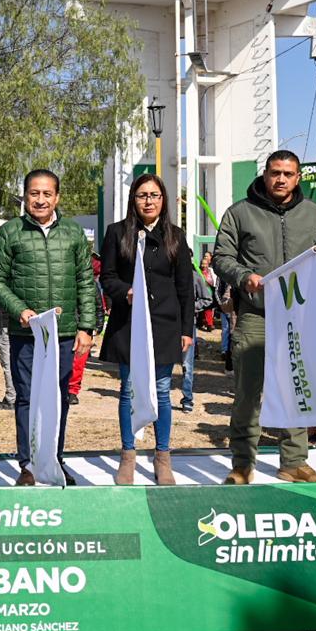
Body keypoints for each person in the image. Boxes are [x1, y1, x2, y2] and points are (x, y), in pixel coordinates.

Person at [212, 150, 316, 485]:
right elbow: (221, 258)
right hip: (256, 315)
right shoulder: (240, 213)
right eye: (275, 172)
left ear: (298, 178)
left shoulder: (315, 215)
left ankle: (294, 462)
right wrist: (243, 276)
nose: (281, 179)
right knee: (248, 393)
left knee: (295, 389)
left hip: (300, 319)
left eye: (288, 173)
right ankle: (242, 464)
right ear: (265, 174)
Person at [0, 169, 96, 486]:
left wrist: (86, 327)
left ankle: (54, 460)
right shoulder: (10, 232)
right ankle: (29, 465)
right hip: (26, 333)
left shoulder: (73, 233)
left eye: (47, 194)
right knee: (26, 398)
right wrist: (19, 310)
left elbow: (86, 282)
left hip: (64, 334)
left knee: (59, 399)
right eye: (34, 193)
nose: (40, 200)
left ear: (57, 197)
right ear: (25, 196)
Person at [99, 174, 194, 485]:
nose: (148, 201)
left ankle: (162, 456)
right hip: (129, 324)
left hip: (165, 324)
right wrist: (125, 291)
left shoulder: (176, 236)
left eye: (154, 195)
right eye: (142, 195)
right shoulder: (116, 233)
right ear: (133, 199)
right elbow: (107, 276)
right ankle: (128, 454)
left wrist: (187, 329)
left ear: (163, 200)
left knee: (162, 391)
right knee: (128, 389)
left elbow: (185, 288)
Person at [67, 251, 106, 407]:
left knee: (78, 363)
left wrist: (97, 328)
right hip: (66, 327)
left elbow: (99, 307)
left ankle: (73, 391)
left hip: (83, 328)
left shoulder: (91, 284)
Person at [180, 254, 214, 413]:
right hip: (169, 325)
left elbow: (207, 299)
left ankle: (187, 399)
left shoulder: (195, 277)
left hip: (188, 325)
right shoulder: (169, 276)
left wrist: (191, 307)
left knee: (187, 364)